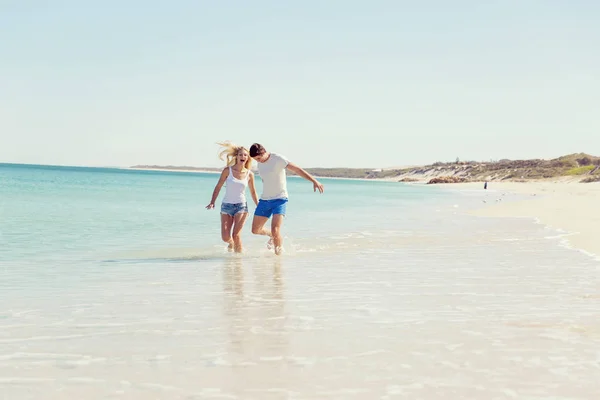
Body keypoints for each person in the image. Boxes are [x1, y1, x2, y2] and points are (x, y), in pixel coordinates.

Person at [249, 143, 324, 255]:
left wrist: (314, 181)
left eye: (259, 158)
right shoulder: (260, 165)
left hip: (280, 199)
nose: (258, 161)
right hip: (265, 200)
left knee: (276, 229)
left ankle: (278, 258)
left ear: (264, 152)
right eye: (256, 160)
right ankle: (272, 236)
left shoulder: (278, 159)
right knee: (255, 230)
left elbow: (297, 170)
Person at [206, 142, 259, 253]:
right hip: (226, 206)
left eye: (245, 155)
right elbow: (218, 186)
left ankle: (238, 261)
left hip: (241, 207)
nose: (243, 157)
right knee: (225, 237)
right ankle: (231, 244)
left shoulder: (250, 174)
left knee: (236, 235)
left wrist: (259, 206)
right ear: (236, 156)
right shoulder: (227, 170)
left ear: (248, 158)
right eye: (241, 155)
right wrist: (212, 202)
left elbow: (253, 192)